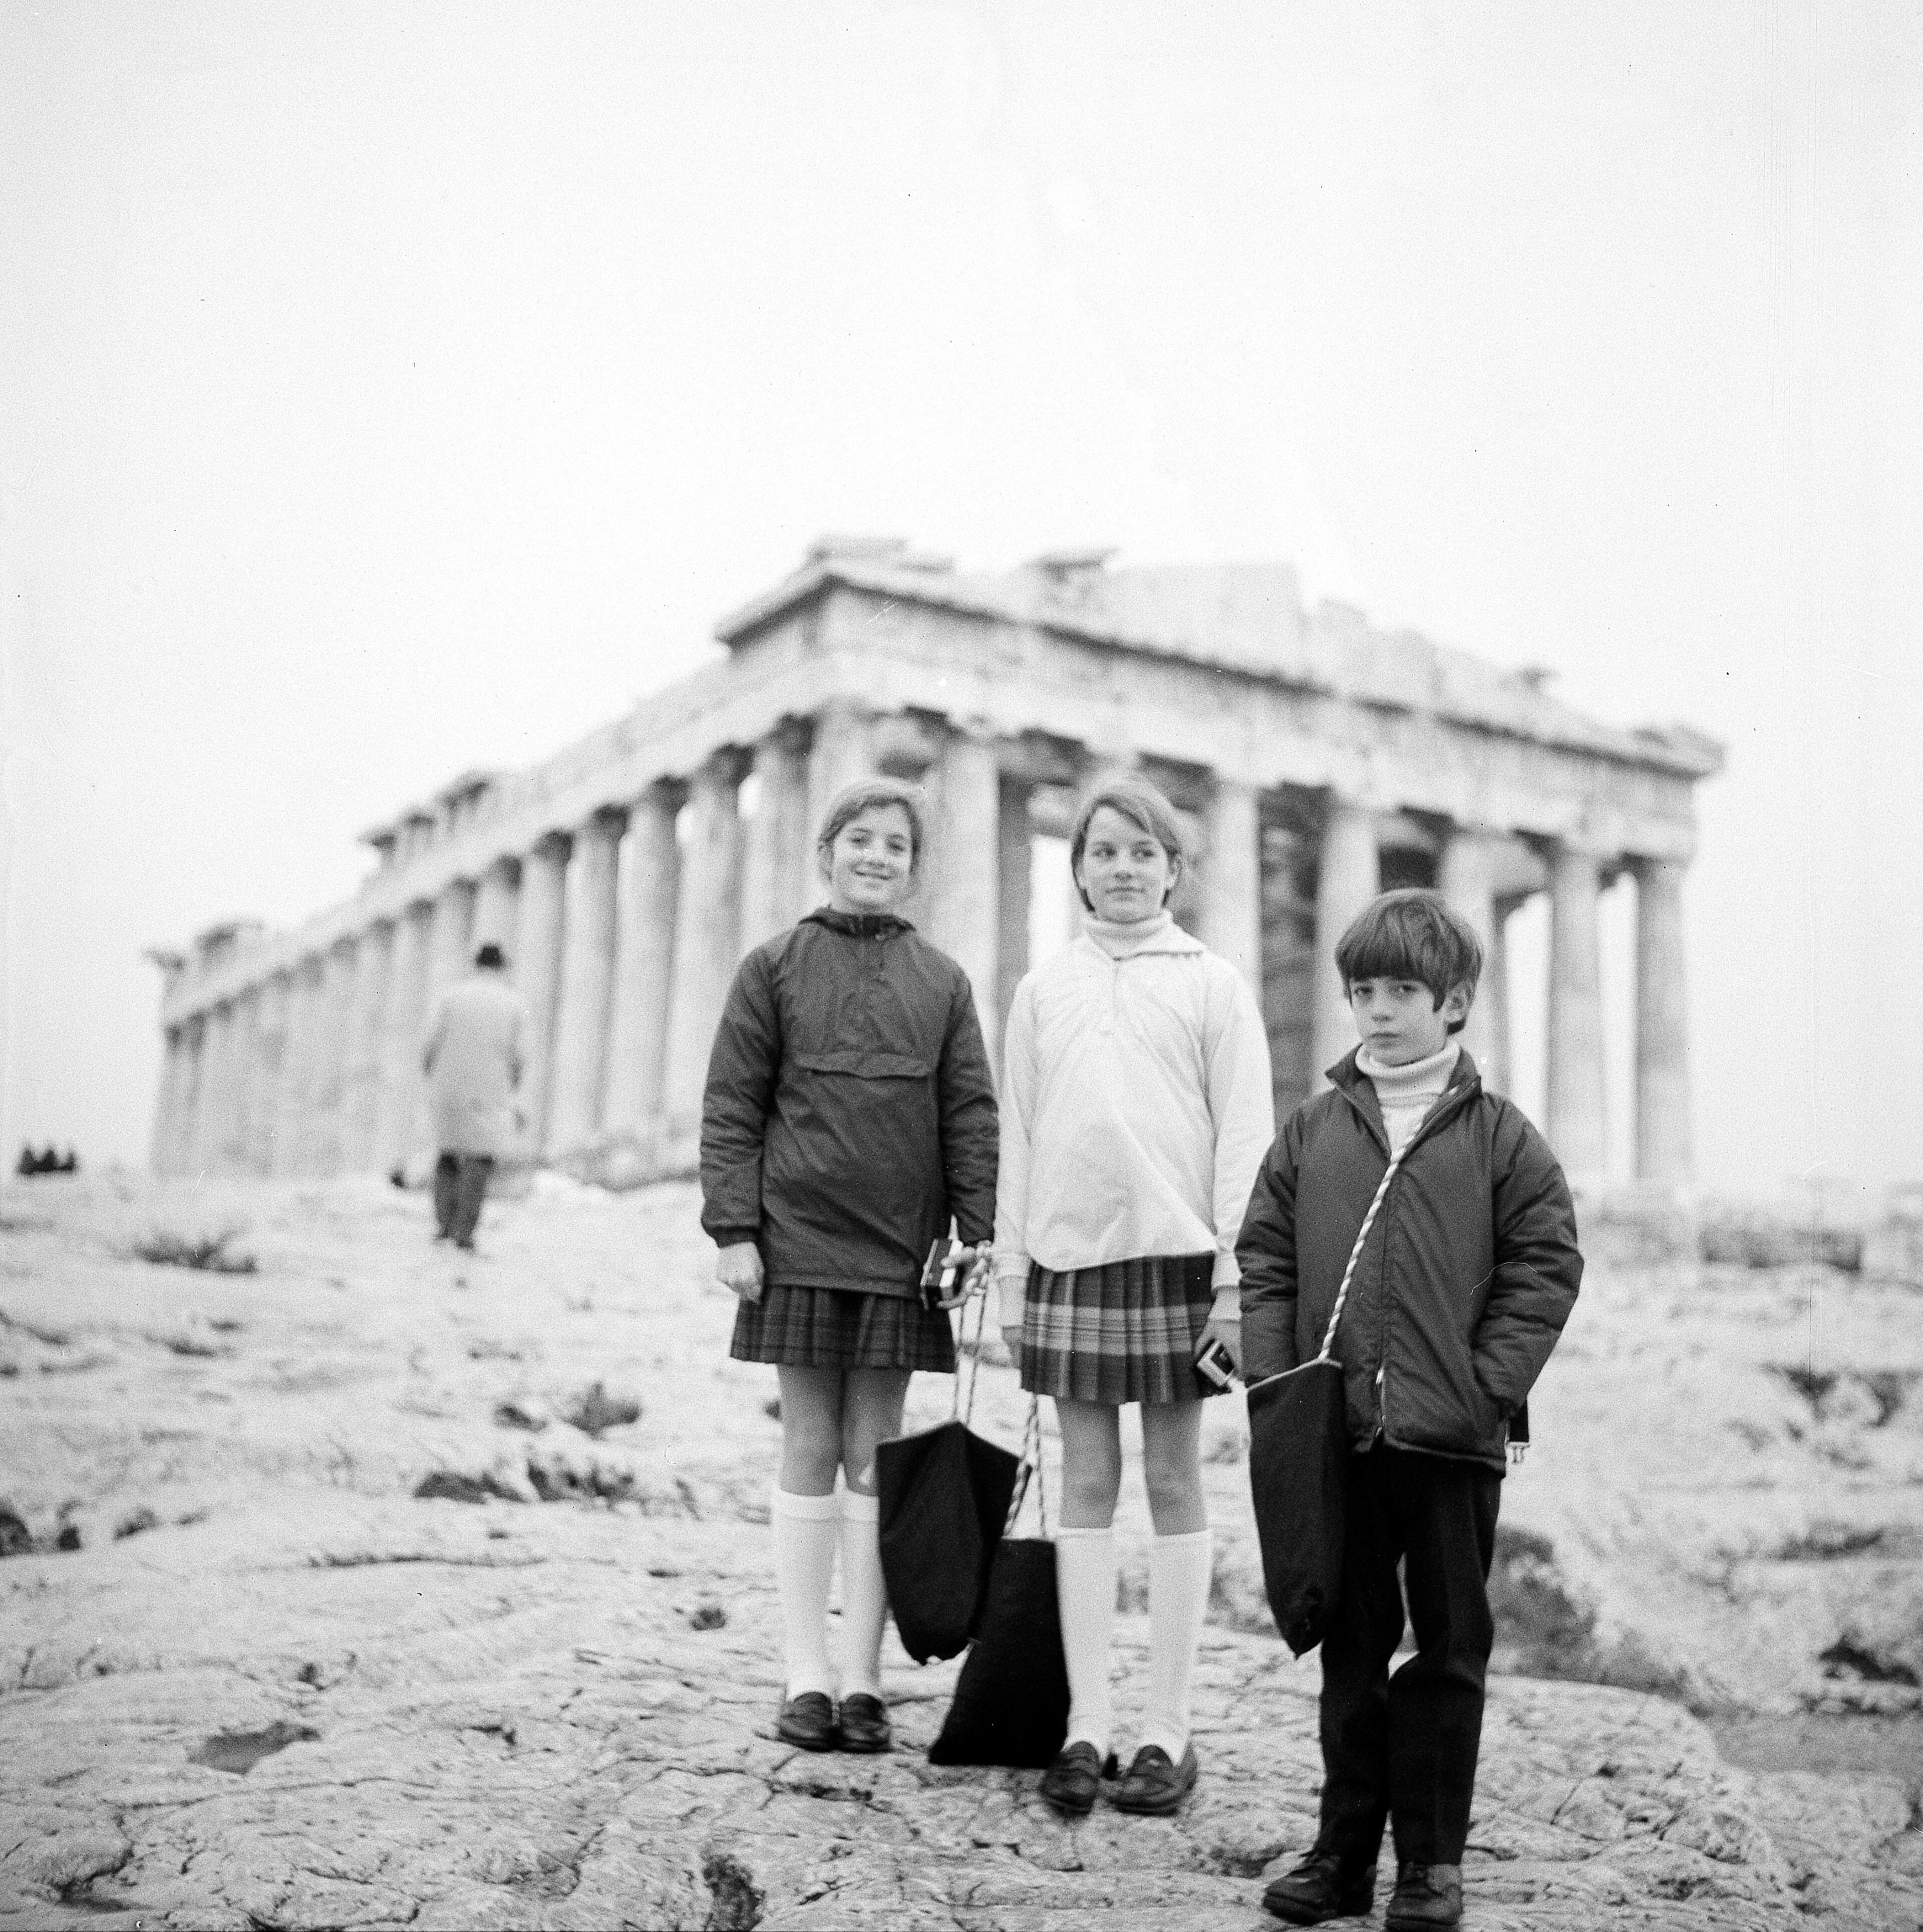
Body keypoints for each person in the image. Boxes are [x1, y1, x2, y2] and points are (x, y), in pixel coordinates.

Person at [1238, 888, 1583, 1930]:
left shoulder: (1504, 1136)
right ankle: (1342, 1853)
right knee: (1350, 1646)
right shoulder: (1311, 1129)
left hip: (1454, 1439)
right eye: (1363, 991)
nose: (1379, 1010)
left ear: (1454, 1003)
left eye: (1402, 990)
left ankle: (1431, 1863)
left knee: (1448, 1648)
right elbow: (1264, 1258)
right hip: (1335, 1433)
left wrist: (1487, 1386)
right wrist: (1280, 1381)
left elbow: (1547, 1262)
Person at [700, 776, 998, 1756]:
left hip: (901, 1248)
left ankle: (864, 1680)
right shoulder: (771, 966)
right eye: (860, 838)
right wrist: (733, 1229)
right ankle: (805, 1674)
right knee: (809, 1439)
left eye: (896, 845)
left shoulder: (944, 981)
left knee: (877, 1449)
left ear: (916, 868)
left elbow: (970, 1112)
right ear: (826, 851)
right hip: (793, 1236)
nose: (877, 856)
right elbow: (733, 1104)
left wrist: (976, 1229)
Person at [995, 776, 1273, 1817]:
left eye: (1143, 852)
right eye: (1104, 851)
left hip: (1180, 1261)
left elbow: (1245, 1138)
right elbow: (1020, 1137)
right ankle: (1087, 1724)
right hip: (1070, 1259)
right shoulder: (1043, 988)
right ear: (1076, 868)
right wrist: (1014, 1276)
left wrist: (1237, 1280)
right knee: (1085, 1479)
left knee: (1172, 1477)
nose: (1123, 868)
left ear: (1174, 871)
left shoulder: (1214, 983)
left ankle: (1167, 1728)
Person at [421, 942, 527, 1252]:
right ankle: (464, 1231)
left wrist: (432, 1075)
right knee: (480, 1158)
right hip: (489, 1089)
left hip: (449, 1085)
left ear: (476, 965)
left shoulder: (451, 996)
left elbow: (429, 1043)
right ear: (502, 967)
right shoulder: (513, 1002)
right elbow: (520, 1055)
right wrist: (513, 1086)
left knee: (448, 1154)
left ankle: (444, 1225)